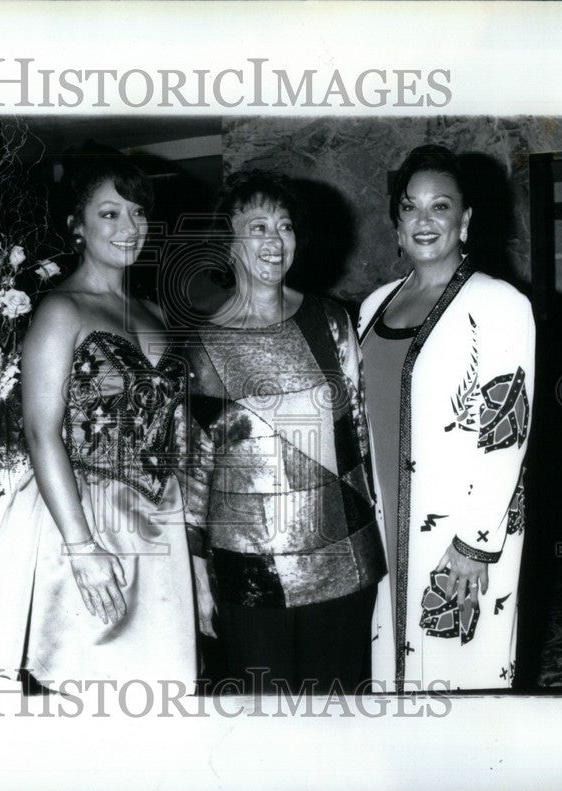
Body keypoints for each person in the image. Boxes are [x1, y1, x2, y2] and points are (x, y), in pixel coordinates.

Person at [0, 154, 198, 691]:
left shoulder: (156, 313)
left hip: (161, 524)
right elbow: (42, 433)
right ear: (78, 226)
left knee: (159, 699)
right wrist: (82, 547)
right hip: (88, 521)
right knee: (89, 689)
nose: (129, 227)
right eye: (110, 213)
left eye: (137, 213)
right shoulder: (61, 310)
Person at [177, 171, 386, 695]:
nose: (275, 241)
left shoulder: (331, 321)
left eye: (285, 226)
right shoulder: (200, 349)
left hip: (343, 559)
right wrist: (196, 576)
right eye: (258, 227)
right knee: (265, 734)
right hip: (246, 577)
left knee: (339, 722)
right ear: (228, 243)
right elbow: (194, 477)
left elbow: (360, 438)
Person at [357, 144, 535, 691]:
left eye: (440, 206)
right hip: (387, 519)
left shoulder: (498, 303)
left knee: (461, 671)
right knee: (394, 666)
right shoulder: (373, 306)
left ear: (466, 219)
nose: (424, 220)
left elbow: (508, 429)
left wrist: (475, 542)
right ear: (396, 223)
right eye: (410, 208)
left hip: (462, 526)